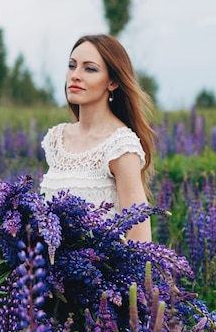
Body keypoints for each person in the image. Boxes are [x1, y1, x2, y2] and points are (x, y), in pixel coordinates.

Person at [40, 34, 157, 243]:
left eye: (89, 68)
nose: (75, 75)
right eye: (72, 65)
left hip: (100, 273)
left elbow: (140, 239)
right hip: (49, 271)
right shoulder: (57, 139)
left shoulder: (121, 146)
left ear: (112, 82)